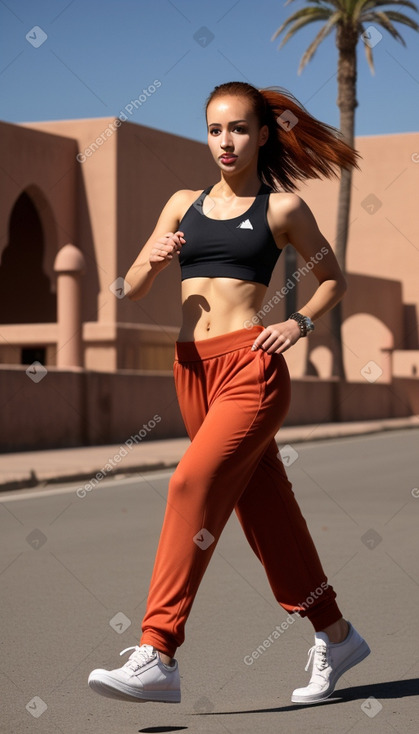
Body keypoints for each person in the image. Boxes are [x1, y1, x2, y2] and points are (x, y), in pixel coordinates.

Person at [88, 81, 370, 706]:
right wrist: (155, 259)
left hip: (251, 367)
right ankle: (337, 634)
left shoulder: (282, 209)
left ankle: (158, 650)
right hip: (192, 370)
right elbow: (129, 288)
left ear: (263, 135)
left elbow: (333, 280)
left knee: (189, 483)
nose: (225, 141)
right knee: (265, 513)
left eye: (239, 129)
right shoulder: (181, 203)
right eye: (215, 129)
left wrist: (297, 323)